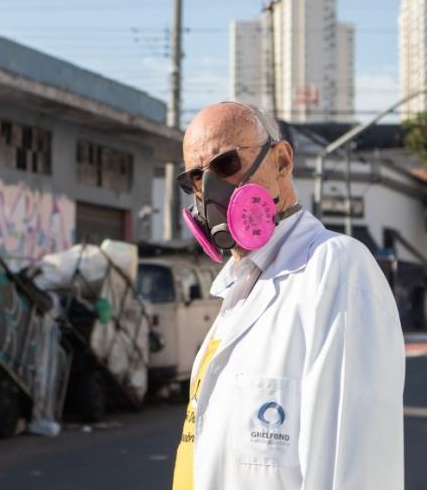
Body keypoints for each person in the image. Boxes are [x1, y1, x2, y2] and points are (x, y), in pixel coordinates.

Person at [171, 102, 405, 490]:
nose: (210, 192)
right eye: (196, 179)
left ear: (281, 161)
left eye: (226, 165)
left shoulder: (334, 271)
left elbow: (353, 473)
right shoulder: (238, 294)